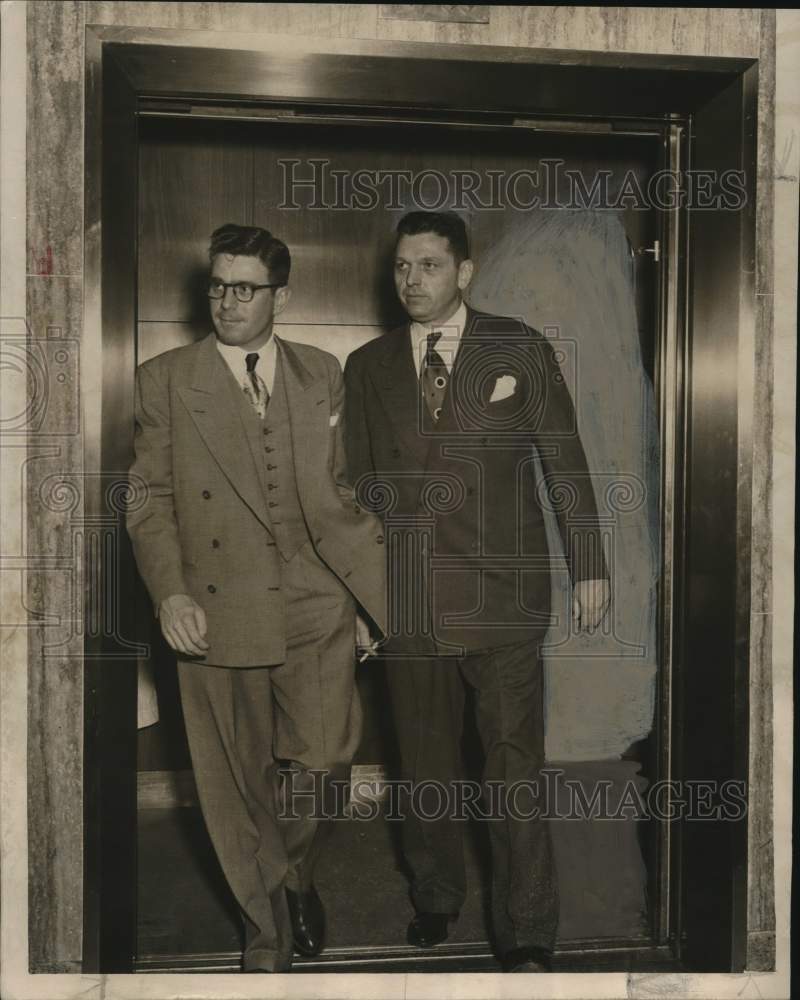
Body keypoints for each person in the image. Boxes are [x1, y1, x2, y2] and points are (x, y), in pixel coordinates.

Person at [343, 210, 610, 972]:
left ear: (464, 272)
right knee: (423, 767)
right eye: (401, 267)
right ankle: (435, 895)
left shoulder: (516, 346)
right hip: (409, 601)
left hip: (505, 598)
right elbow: (357, 496)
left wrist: (588, 561)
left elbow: (565, 459)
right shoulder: (367, 367)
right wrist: (363, 602)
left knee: (512, 771)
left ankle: (527, 928)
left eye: (428, 266)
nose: (411, 281)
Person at [127, 223, 386, 973]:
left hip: (316, 603)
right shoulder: (166, 378)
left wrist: (367, 599)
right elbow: (147, 500)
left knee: (326, 767)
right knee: (235, 784)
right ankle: (265, 938)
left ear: (282, 295)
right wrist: (170, 592)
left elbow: (338, 495)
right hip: (218, 606)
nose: (226, 300)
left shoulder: (319, 373)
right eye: (216, 285)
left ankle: (291, 874)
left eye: (244, 288)